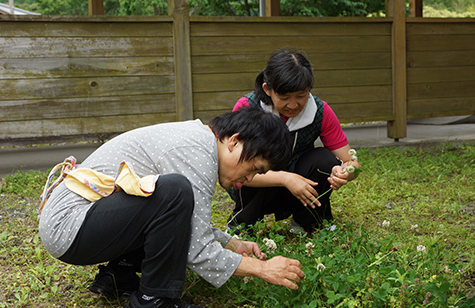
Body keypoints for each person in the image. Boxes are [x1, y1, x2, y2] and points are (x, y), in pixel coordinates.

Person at [38, 107, 305, 308]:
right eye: (254, 169)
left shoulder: (199, 140)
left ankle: (118, 276)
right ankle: (154, 299)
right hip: (70, 225)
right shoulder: (198, 152)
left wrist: (230, 242)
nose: (249, 179)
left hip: (76, 222)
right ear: (234, 141)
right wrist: (262, 269)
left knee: (170, 197)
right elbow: (196, 250)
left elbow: (181, 223)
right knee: (175, 191)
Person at [227, 50, 360, 235]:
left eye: (300, 95)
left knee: (325, 160)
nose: (292, 105)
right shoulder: (248, 107)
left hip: (301, 189)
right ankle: (242, 226)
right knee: (248, 163)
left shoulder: (320, 111)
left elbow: (351, 162)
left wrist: (345, 173)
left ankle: (308, 222)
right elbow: (232, 166)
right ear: (267, 89)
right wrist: (285, 178)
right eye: (284, 97)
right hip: (259, 189)